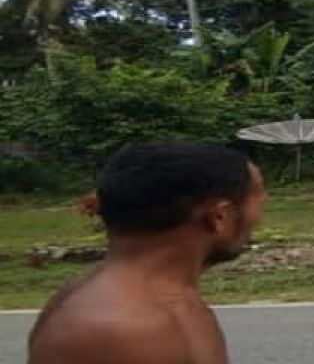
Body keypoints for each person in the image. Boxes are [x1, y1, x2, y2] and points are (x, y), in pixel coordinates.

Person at [27, 141, 268, 363]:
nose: (259, 217)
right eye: (258, 200)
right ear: (219, 216)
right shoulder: (120, 331)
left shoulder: (159, 300)